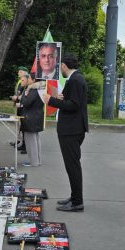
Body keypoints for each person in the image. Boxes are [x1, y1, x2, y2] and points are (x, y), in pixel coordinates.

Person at [43, 53, 88, 211]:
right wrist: (62, 98)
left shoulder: (75, 79)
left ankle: (77, 202)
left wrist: (52, 100)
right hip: (72, 128)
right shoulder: (76, 78)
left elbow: (74, 105)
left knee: (72, 166)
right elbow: (74, 101)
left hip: (71, 130)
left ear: (64, 65)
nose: (60, 69)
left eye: (60, 66)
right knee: (72, 165)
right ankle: (75, 197)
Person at [19, 73, 44, 167]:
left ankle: (34, 162)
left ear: (34, 80)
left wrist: (24, 95)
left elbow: (26, 103)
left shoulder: (33, 90)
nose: (28, 79)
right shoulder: (40, 89)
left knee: (31, 142)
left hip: (30, 118)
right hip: (36, 117)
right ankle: (37, 160)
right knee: (36, 140)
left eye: (29, 78)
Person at [10, 67, 29, 153]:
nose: (18, 73)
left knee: (22, 126)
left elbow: (24, 95)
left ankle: (23, 143)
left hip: (21, 106)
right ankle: (19, 140)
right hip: (18, 105)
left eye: (20, 72)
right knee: (19, 125)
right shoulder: (20, 81)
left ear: (25, 73)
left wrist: (17, 98)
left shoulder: (26, 83)